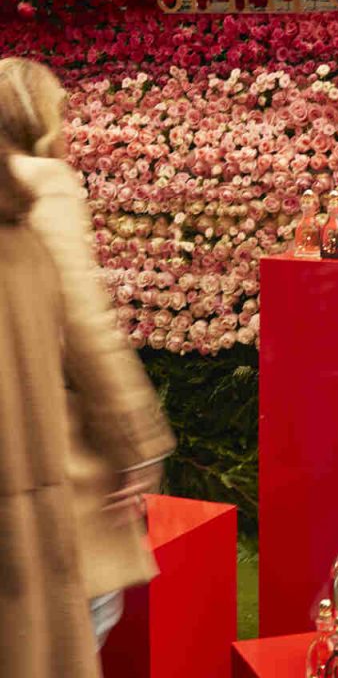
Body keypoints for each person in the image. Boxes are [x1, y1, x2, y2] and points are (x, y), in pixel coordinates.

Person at [0, 57, 176, 678]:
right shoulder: (39, 182)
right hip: (43, 451)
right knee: (73, 620)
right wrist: (138, 443)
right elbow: (84, 322)